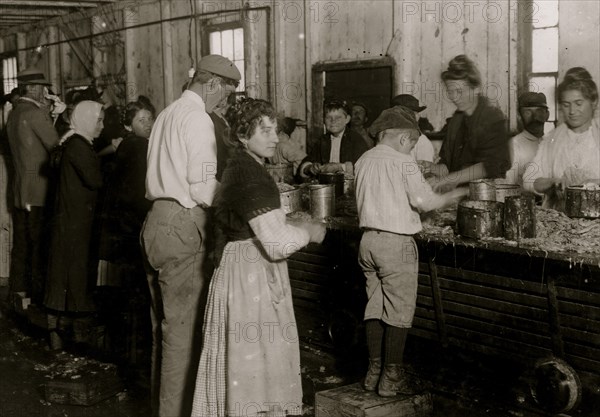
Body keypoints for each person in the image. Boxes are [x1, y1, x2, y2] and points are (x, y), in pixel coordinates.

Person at [191, 98, 326, 417]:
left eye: (275, 130)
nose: (275, 138)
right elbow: (276, 243)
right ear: (242, 135)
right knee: (257, 368)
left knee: (245, 365)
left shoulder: (240, 166)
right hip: (251, 275)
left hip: (239, 265)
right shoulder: (251, 175)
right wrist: (310, 231)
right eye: (264, 131)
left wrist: (289, 223)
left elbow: (256, 223)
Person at [141, 54, 240, 417]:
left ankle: (161, 409)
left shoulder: (167, 113)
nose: (223, 103)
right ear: (212, 83)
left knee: (164, 333)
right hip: (183, 226)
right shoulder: (197, 118)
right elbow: (201, 186)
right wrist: (240, 202)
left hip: (155, 223)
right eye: (224, 95)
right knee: (181, 337)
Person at [354, 106, 467, 397]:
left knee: (375, 307)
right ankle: (392, 378)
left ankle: (373, 373)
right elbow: (425, 202)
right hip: (396, 244)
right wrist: (457, 192)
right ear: (404, 140)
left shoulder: (364, 160)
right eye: (414, 145)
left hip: (368, 242)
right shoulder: (403, 162)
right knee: (399, 310)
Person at [45, 100, 105, 349]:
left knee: (63, 274)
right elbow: (95, 180)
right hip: (76, 221)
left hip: (68, 218)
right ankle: (76, 337)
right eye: (99, 120)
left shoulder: (71, 140)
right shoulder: (80, 147)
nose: (102, 125)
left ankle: (57, 334)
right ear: (88, 121)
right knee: (75, 275)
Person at [6, 67, 60, 306]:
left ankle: (19, 291)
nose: (45, 92)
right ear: (35, 88)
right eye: (43, 88)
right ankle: (38, 297)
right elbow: (55, 146)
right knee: (39, 245)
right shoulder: (36, 114)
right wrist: (56, 117)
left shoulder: (15, 113)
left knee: (21, 244)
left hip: (19, 190)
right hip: (38, 190)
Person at [419, 55, 510, 192]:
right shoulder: (457, 120)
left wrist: (448, 179)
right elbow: (448, 167)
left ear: (476, 88)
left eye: (459, 91)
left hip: (488, 195)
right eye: (450, 91)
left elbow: (490, 165)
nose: (454, 97)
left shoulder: (492, 117)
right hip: (460, 197)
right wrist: (432, 168)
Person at [97, 96, 156, 285]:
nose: (148, 124)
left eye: (150, 119)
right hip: (133, 216)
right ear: (129, 126)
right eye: (141, 120)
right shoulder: (140, 146)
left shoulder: (128, 143)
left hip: (122, 216)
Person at [524, 67, 600, 210]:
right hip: (562, 221)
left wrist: (595, 183)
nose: (572, 111)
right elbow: (529, 180)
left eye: (578, 103)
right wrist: (552, 182)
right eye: (566, 105)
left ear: (593, 102)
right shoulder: (552, 139)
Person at [299, 99, 369, 177]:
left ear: (347, 119)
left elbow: (364, 166)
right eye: (328, 118)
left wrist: (340, 167)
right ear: (324, 120)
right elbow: (308, 160)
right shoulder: (323, 140)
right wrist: (309, 167)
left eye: (338, 117)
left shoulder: (356, 140)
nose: (333, 121)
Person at [504, 92, 550, 186]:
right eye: (527, 112)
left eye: (539, 111)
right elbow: (507, 186)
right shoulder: (514, 145)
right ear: (519, 117)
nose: (534, 117)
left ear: (547, 115)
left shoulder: (551, 143)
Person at [390, 94, 436, 163]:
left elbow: (425, 171)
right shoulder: (387, 137)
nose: (417, 116)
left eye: (415, 113)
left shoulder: (421, 141)